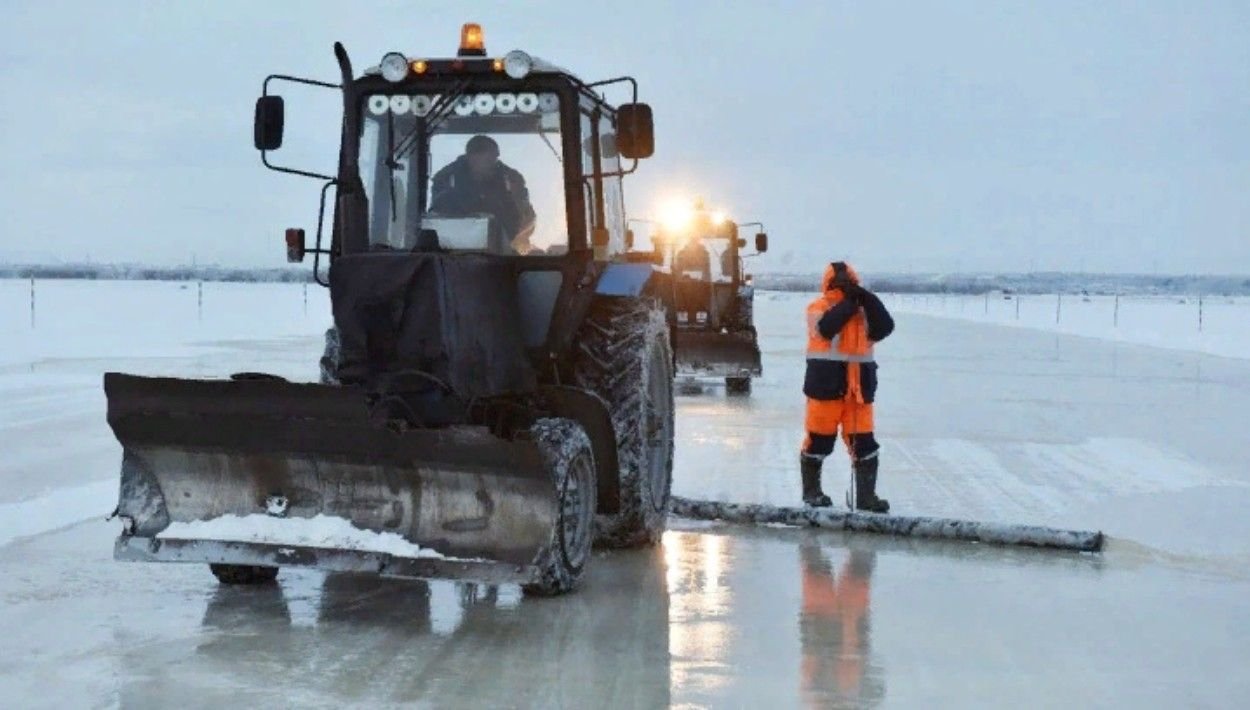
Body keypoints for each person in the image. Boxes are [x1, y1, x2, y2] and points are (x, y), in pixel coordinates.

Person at [801, 262, 894, 511]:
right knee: (818, 442)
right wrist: (851, 302)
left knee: (865, 445)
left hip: (859, 392)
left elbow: (886, 327)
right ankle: (812, 493)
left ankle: (866, 498)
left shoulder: (865, 310)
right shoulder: (817, 308)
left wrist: (867, 298)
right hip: (825, 389)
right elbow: (825, 328)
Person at [429, 135, 536, 252]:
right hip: (452, 254)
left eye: (494, 158)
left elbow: (527, 219)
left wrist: (514, 243)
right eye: (488, 159)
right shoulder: (446, 178)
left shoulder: (511, 179)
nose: (493, 163)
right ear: (471, 157)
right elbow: (436, 220)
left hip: (503, 254)